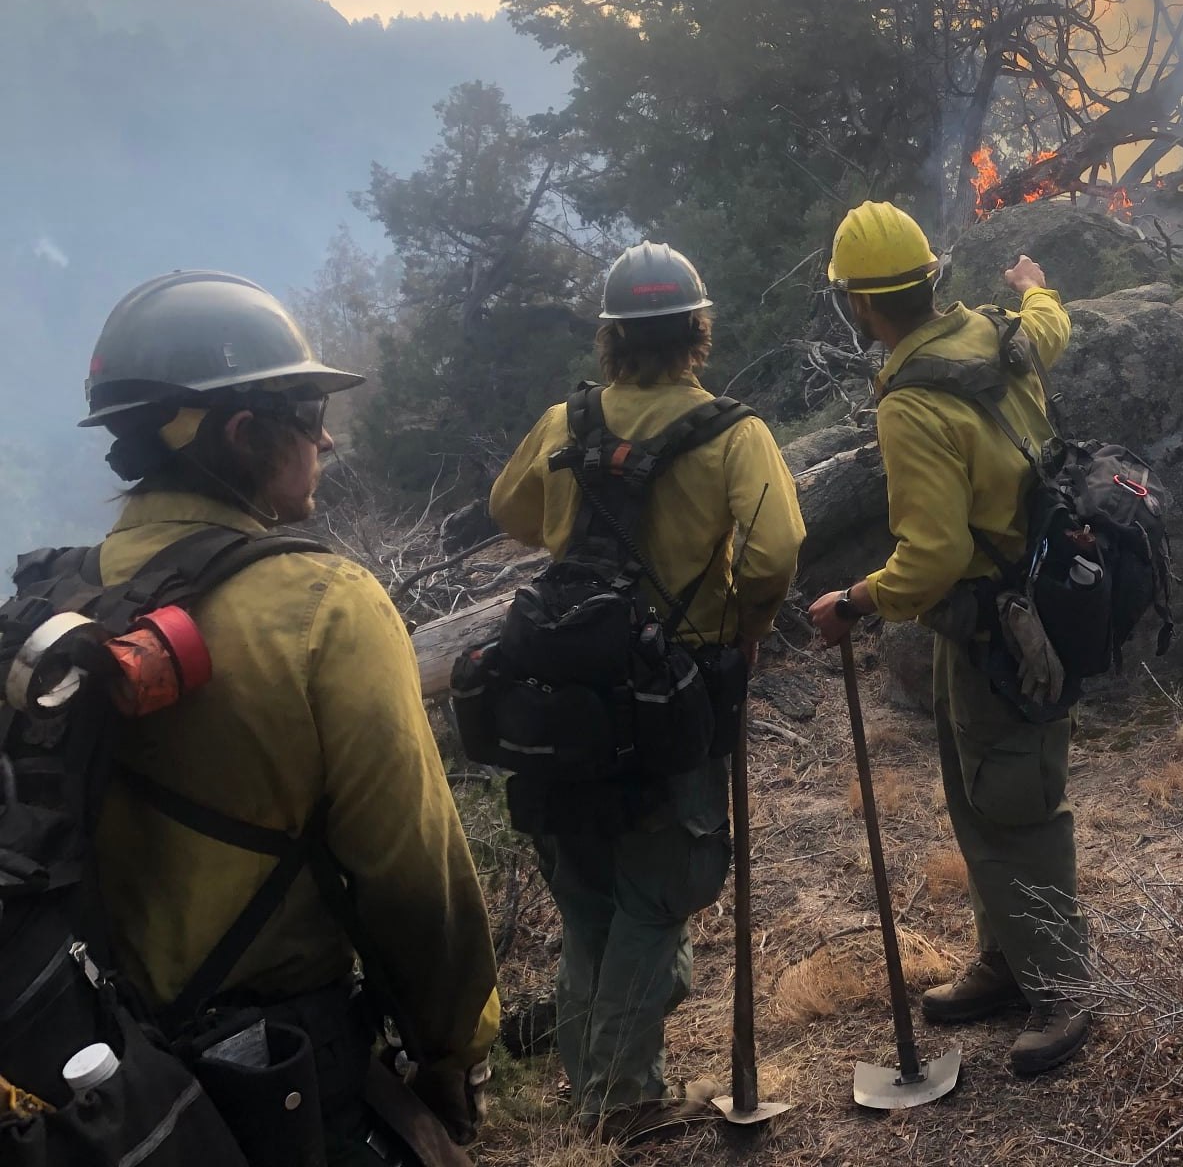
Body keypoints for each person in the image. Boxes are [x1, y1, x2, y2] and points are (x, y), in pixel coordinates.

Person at [80, 269, 500, 1162]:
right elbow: (414, 874)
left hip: (100, 1079)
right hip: (282, 1077)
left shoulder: (63, 608)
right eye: (309, 414)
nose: (328, 437)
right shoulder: (324, 605)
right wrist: (453, 1046)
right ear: (244, 433)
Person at [489, 242, 805, 1144]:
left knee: (589, 887)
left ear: (612, 336)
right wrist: (745, 623)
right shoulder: (734, 432)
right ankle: (619, 1099)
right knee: (659, 893)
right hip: (674, 692)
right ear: (696, 333)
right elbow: (777, 551)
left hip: (560, 688)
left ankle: (591, 1079)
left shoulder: (564, 422)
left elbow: (510, 509)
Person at [808, 201, 1091, 1078]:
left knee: (1010, 799)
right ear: (932, 280)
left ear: (860, 305)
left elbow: (932, 557)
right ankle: (1008, 961)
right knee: (979, 791)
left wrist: (855, 602)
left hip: (998, 628)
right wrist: (1035, 286)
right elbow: (1050, 324)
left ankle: (1063, 985)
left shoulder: (913, 403)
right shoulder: (994, 334)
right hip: (1024, 609)